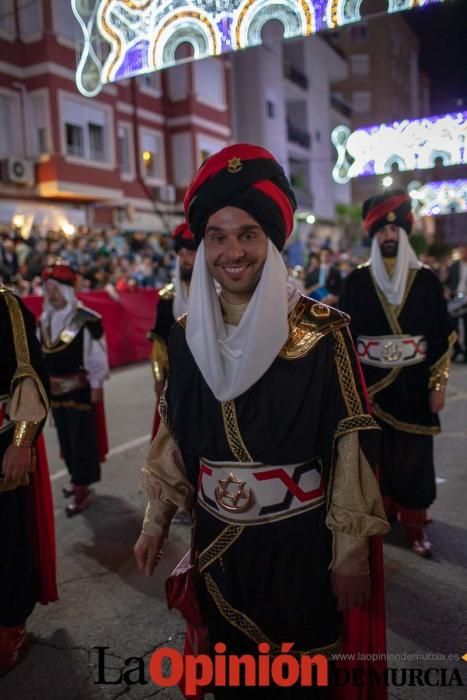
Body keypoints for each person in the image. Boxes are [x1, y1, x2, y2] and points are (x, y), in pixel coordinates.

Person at [135, 144, 389, 698]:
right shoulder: (183, 335)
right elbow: (173, 434)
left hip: (298, 548)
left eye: (248, 234)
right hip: (215, 548)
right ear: (202, 246)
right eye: (218, 236)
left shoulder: (323, 332)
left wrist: (350, 556)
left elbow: (351, 445)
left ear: (271, 241)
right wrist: (156, 521)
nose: (233, 251)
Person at [340, 189, 455, 557]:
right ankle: (387, 512)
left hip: (414, 385)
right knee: (379, 456)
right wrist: (350, 389)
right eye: (382, 233)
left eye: (394, 232)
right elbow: (345, 339)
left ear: (404, 234)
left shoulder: (425, 281)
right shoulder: (357, 281)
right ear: (374, 237)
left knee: (415, 458)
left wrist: (437, 386)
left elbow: (441, 337)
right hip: (370, 386)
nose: (388, 237)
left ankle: (416, 524)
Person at [0, 284, 57, 676]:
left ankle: (10, 625)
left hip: (2, 446)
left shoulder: (8, 307)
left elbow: (29, 374)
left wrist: (21, 443)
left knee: (6, 539)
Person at [39, 263, 109, 516]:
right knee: (66, 440)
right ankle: (75, 479)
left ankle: (82, 487)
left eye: (55, 288)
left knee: (82, 441)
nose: (51, 294)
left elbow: (97, 356)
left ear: (67, 290)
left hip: (79, 390)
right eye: (48, 289)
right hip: (55, 392)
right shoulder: (44, 320)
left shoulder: (84, 320)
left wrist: (97, 385)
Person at [148, 222, 197, 402]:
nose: (184, 259)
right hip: (176, 379)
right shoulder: (167, 298)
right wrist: (159, 378)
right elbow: (159, 343)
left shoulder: (220, 293)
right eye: (181, 254)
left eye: (190, 253)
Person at [445, 245, 467, 362]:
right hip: (455, 300)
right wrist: (447, 291)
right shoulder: (455, 266)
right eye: (463, 250)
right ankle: (457, 349)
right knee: (452, 327)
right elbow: (447, 282)